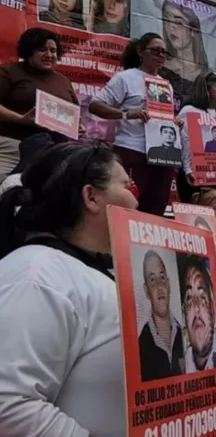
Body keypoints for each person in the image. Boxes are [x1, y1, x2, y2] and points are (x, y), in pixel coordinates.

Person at [0, 142, 137, 436]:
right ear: (91, 197)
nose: (136, 202)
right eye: (127, 187)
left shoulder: (89, 272)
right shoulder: (37, 278)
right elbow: (7, 404)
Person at [90, 32, 175, 215]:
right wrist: (126, 114)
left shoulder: (165, 85)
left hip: (161, 155)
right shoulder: (126, 78)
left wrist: (174, 124)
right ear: (140, 51)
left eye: (164, 53)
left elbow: (162, 118)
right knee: (127, 207)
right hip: (131, 150)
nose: (160, 56)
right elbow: (95, 105)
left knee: (155, 210)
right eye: (155, 51)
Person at [0, 28, 78, 179]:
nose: (49, 55)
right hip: (12, 147)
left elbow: (73, 112)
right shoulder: (9, 72)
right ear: (28, 50)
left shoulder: (63, 81)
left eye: (53, 51)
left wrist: (76, 126)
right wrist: (20, 119)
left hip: (53, 153)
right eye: (42, 50)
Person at [176, 71, 216, 202]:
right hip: (193, 173)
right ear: (206, 89)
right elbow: (185, 141)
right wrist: (187, 170)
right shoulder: (189, 111)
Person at [138, 250, 185, 381]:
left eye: (162, 278)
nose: (160, 287)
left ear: (169, 284)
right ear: (146, 290)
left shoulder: (186, 337)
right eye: (152, 280)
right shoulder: (139, 347)